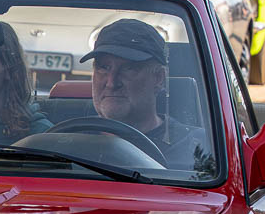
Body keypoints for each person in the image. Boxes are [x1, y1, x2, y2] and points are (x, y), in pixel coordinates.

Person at [78, 20, 206, 172]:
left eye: (128, 68)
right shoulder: (68, 143)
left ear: (158, 78)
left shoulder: (196, 149)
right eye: (104, 67)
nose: (112, 82)